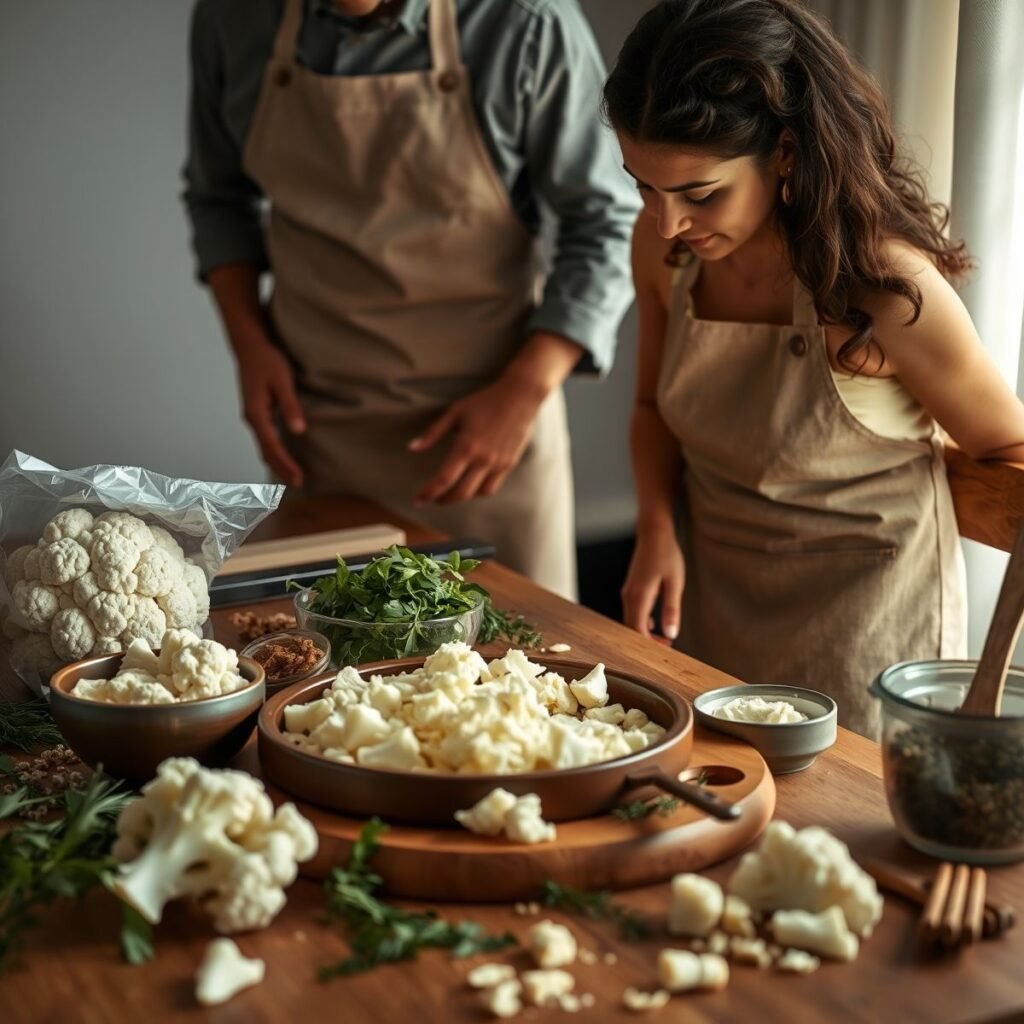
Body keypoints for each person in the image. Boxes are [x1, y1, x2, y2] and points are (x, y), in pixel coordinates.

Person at [604, 0, 1024, 736]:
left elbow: (1008, 451)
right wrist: (654, 530)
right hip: (717, 600)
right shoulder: (664, 251)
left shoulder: (887, 290)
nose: (668, 222)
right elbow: (649, 410)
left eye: (700, 194)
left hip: (868, 631)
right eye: (645, 186)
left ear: (787, 154)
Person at [183, 0, 640, 599]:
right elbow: (219, 200)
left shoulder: (528, 21)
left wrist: (526, 386)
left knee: (520, 671)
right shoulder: (232, 18)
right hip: (319, 423)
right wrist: (249, 345)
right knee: (332, 663)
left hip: (492, 424)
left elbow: (607, 221)